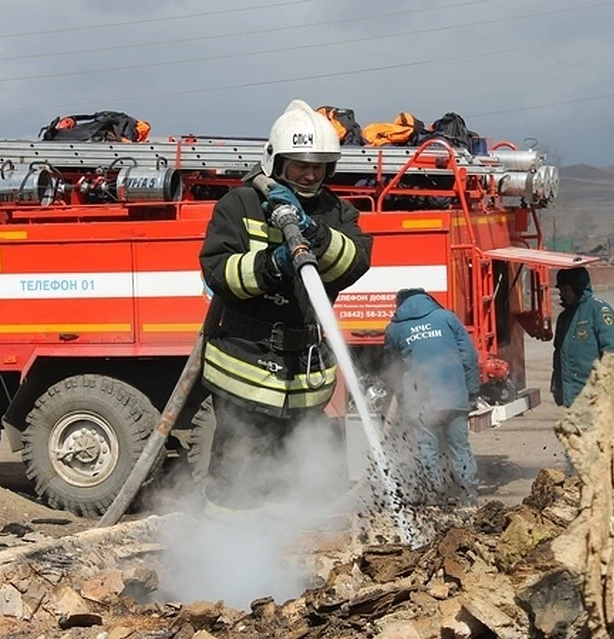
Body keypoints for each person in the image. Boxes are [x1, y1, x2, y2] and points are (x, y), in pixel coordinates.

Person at [198, 99, 373, 520]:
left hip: (305, 375)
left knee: (298, 474)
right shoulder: (239, 206)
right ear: (277, 161)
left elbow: (355, 262)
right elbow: (218, 273)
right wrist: (271, 263)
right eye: (300, 165)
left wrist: (312, 231)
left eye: (319, 165)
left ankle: (288, 560)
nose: (311, 174)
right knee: (237, 475)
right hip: (244, 369)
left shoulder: (336, 211)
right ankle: (226, 558)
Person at [382, 288, 480, 506]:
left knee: (428, 451)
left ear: (399, 304)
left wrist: (396, 393)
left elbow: (391, 365)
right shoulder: (447, 318)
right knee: (460, 448)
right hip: (454, 396)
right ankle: (469, 498)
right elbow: (469, 355)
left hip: (421, 401)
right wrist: (472, 391)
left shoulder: (395, 329)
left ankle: (435, 500)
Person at [551, 266, 614, 408]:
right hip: (572, 393)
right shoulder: (564, 318)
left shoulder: (598, 310)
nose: (562, 294)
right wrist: (557, 386)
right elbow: (559, 354)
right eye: (561, 291)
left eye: (566, 290)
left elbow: (612, 350)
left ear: (577, 288)